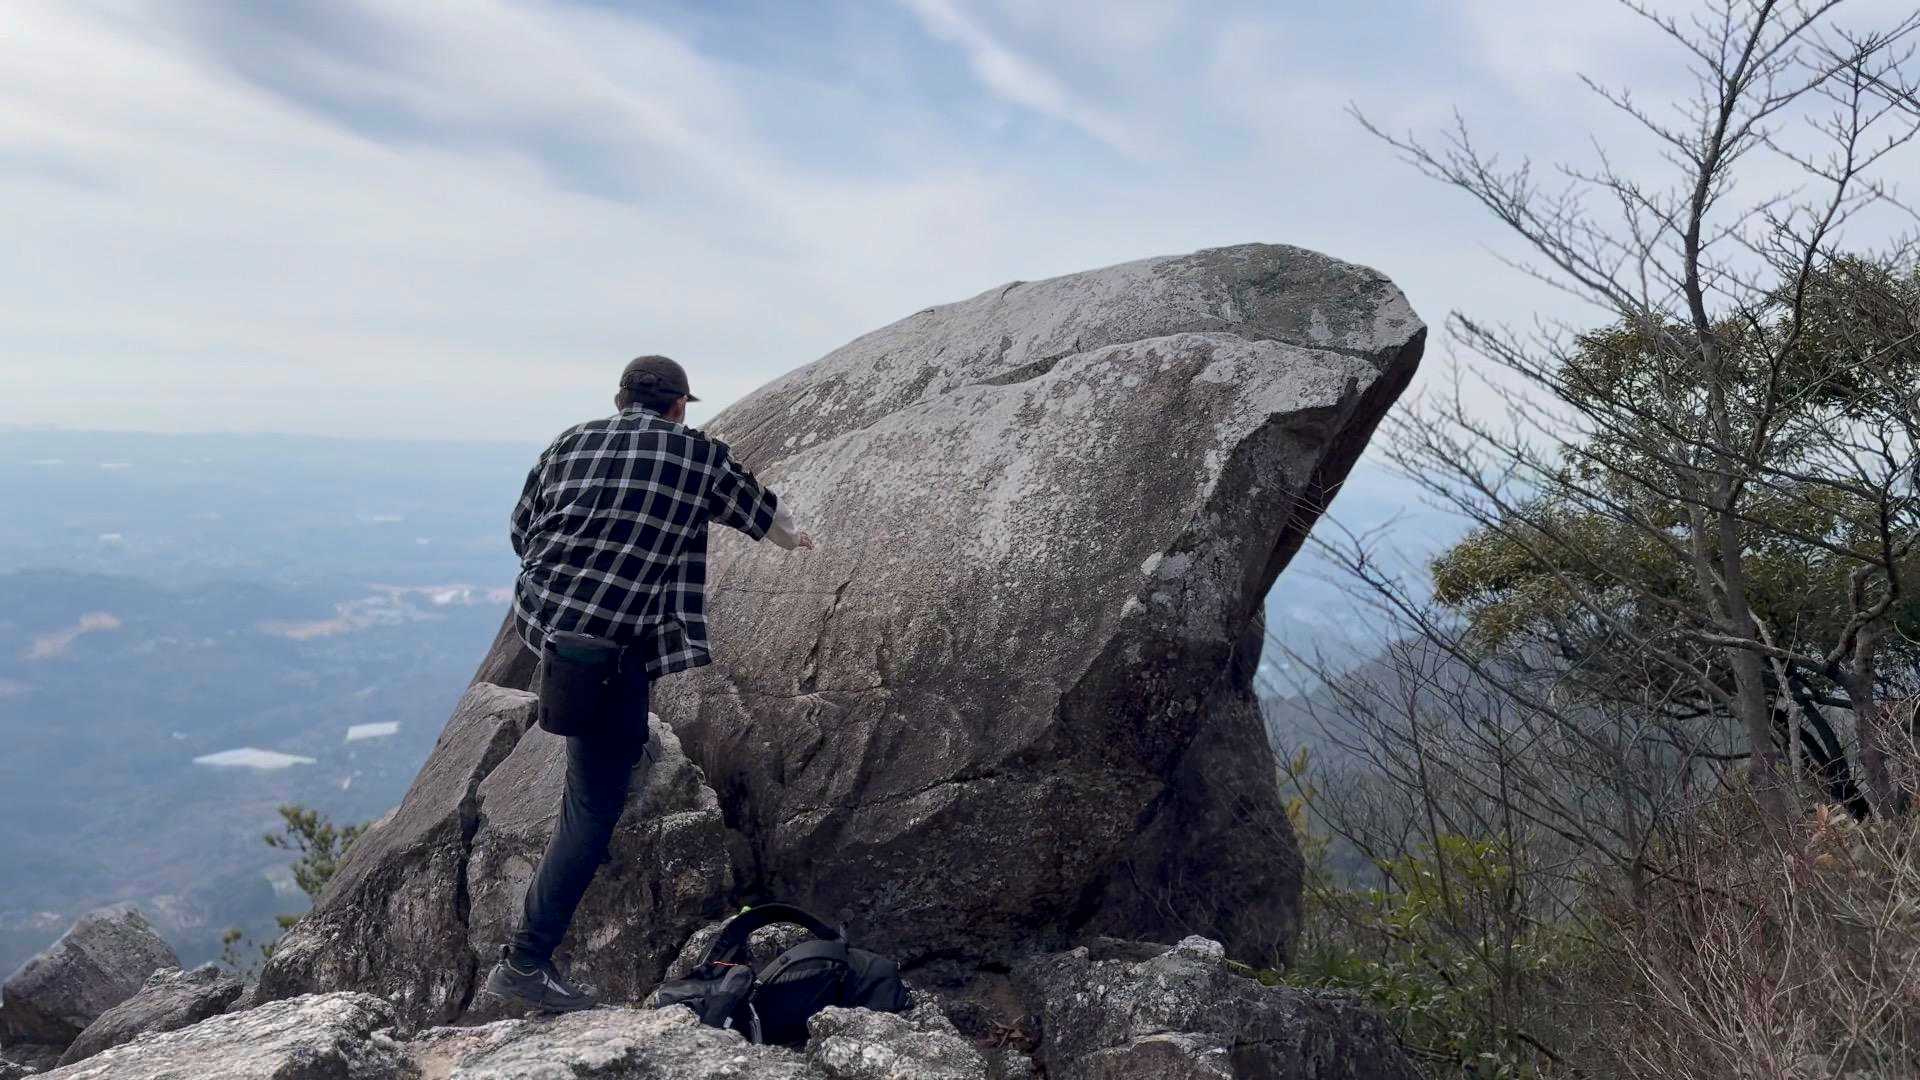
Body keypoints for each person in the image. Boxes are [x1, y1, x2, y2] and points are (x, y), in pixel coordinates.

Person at [482, 354, 812, 1013]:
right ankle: (525, 963)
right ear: (679, 406)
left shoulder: (570, 441)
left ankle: (624, 751)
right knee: (591, 810)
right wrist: (798, 540)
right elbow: (762, 513)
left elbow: (522, 530)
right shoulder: (697, 455)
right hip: (609, 652)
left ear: (620, 399)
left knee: (621, 720)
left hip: (553, 628)